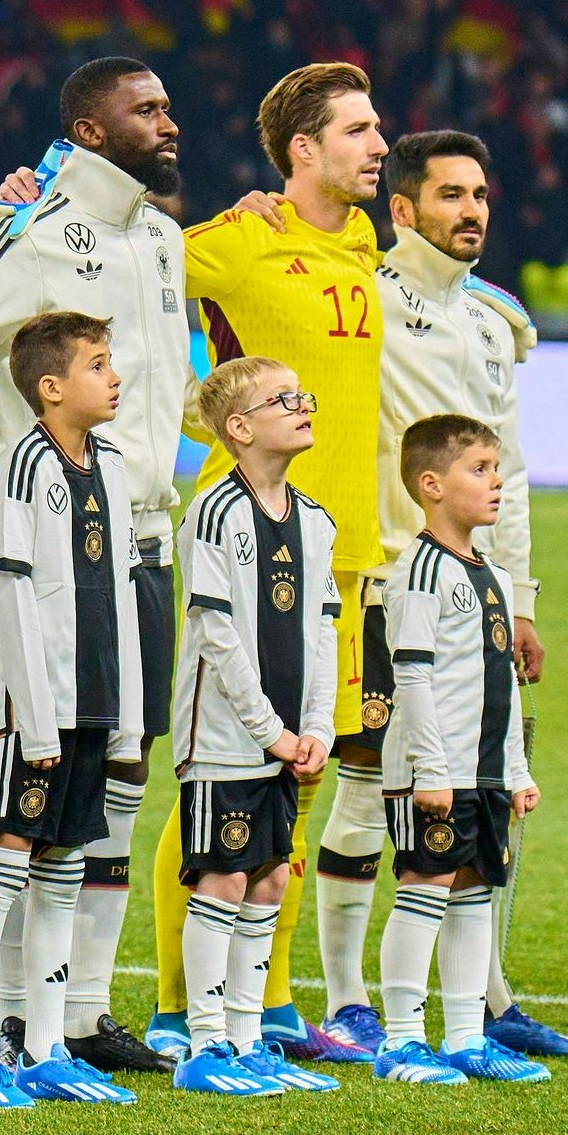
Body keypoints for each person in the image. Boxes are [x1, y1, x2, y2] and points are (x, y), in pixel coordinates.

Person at [0, 59, 191, 1081]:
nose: (167, 121)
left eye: (166, 106)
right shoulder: (35, 231)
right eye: (144, 110)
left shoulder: (160, 236)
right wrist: (23, 433)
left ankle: (82, 1013)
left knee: (124, 769)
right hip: (61, 546)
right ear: (89, 132)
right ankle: (12, 1014)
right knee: (43, 774)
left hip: (148, 537)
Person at [163, 66, 390, 1050]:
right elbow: (127, 281)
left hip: (341, 546)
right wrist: (199, 411)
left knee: (295, 777)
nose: (379, 145)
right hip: (254, 549)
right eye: (358, 130)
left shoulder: (365, 239)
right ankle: (182, 1008)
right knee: (224, 773)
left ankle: (269, 1002)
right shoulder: (241, 239)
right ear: (303, 151)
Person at [371, 130, 568, 1059]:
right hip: (391, 575)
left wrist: (519, 597)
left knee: (488, 794)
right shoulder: (364, 298)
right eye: (451, 195)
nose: (473, 211)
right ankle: (357, 1005)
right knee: (382, 792)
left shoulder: (493, 321)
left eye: (481, 194)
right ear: (402, 208)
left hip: (483, 590)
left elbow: (514, 474)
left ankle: (484, 1003)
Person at [0, 312, 150, 1110]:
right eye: (99, 365)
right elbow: (9, 592)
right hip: (32, 709)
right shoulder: (23, 464)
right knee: (4, 864)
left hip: (93, 703)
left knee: (65, 870)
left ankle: (42, 1047)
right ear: (50, 386)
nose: (115, 378)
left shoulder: (109, 464)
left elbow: (122, 597)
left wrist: (127, 717)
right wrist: (34, 718)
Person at [172, 356, 340, 1094]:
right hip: (222, 737)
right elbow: (216, 632)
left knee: (270, 879)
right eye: (283, 400)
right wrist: (270, 729)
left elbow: (327, 631)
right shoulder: (214, 511)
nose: (303, 406)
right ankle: (204, 1045)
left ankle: (246, 1040)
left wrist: (319, 728)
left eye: (304, 394)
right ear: (238, 429)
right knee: (225, 876)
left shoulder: (316, 521)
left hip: (288, 738)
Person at [376, 413, 542, 1083]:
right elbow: (410, 675)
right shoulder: (419, 572)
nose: (496, 482)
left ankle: (468, 1037)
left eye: (497, 469)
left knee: (474, 891)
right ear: (431, 484)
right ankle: (401, 1040)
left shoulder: (493, 575)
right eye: (479, 469)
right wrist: (430, 770)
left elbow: (500, 683)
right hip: (434, 771)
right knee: (425, 887)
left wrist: (515, 769)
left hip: (483, 769)